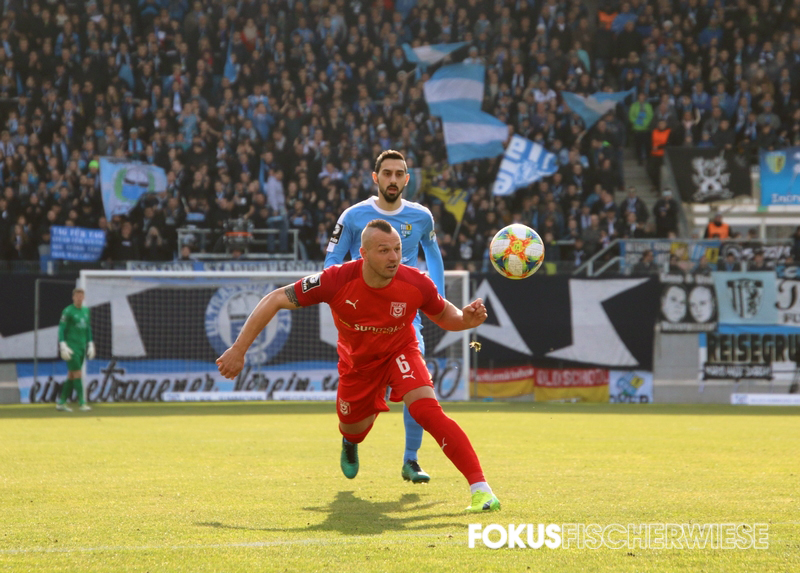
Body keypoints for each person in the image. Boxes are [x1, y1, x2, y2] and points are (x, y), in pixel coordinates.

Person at [216, 220, 500, 512]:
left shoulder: (416, 282)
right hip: (357, 366)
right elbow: (276, 298)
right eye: (384, 250)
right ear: (363, 253)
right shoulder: (335, 280)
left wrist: (465, 319)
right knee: (354, 430)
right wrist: (238, 349)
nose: (394, 257)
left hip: (400, 352)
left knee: (427, 411)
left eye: (398, 249)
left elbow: (444, 314)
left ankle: (481, 490)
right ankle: (350, 442)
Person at [324, 150, 445, 485]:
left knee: (417, 382)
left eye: (399, 174)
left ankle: (411, 459)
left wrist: (436, 300)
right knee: (360, 390)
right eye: (387, 173)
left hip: (404, 316)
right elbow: (332, 260)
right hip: (361, 319)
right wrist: (340, 296)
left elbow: (434, 257)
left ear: (407, 179)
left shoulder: (421, 217)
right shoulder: (353, 216)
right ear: (375, 178)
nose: (393, 179)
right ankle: (350, 438)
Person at [56, 288, 95, 412]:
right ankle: (82, 403)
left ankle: (61, 402)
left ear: (84, 297)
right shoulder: (68, 311)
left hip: (82, 347)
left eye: (81, 296)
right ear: (73, 297)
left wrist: (90, 343)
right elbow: (61, 328)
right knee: (78, 373)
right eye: (77, 296)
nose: (79, 298)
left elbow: (88, 328)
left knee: (72, 375)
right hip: (71, 347)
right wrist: (62, 344)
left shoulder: (86, 311)